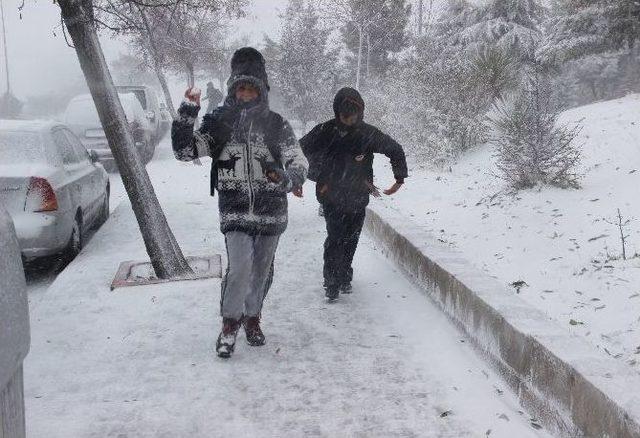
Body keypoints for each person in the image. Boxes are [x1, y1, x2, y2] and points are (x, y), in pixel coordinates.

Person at [172, 47, 308, 358]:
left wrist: (287, 178)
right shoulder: (219, 123)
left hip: (271, 212)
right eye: (240, 88)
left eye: (252, 88)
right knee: (240, 268)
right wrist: (187, 113)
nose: (246, 94)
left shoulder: (277, 124)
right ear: (233, 89)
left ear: (261, 91)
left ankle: (253, 318)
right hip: (234, 210)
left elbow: (297, 161)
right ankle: (230, 324)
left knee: (260, 271)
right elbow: (185, 151)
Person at [300, 87, 407, 301]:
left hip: (358, 195)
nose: (348, 120)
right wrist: (317, 175)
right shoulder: (325, 131)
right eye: (344, 115)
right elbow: (299, 151)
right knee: (335, 237)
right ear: (337, 112)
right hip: (331, 196)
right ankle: (331, 282)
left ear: (360, 113)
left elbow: (394, 149)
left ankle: (344, 275)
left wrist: (399, 177)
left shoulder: (367, 134)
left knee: (351, 238)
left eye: (353, 115)